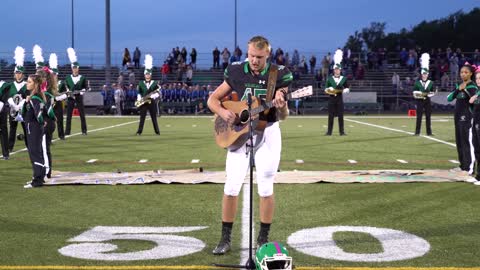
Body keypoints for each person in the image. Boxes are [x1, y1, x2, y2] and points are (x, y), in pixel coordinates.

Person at [207, 36, 293, 255]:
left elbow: (282, 116)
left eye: (260, 57)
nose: (254, 61)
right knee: (231, 186)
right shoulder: (236, 71)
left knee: (266, 186)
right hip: (239, 133)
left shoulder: (278, 74)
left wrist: (281, 101)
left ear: (268, 56)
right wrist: (224, 112)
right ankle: (225, 238)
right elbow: (212, 100)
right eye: (252, 56)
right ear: (247, 53)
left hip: (268, 130)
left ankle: (263, 239)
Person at [447, 63, 477, 175]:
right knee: (459, 142)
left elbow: (474, 101)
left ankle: (469, 167)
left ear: (470, 74)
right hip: (457, 117)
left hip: (467, 118)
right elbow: (449, 98)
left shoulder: (472, 87)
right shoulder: (459, 86)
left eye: (465, 72)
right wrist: (458, 89)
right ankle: (462, 165)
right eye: (461, 72)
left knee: (466, 142)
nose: (463, 74)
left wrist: (466, 90)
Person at [22, 74, 47, 188]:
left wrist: (42, 122)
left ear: (35, 84)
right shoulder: (34, 96)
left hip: (33, 128)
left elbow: (39, 113)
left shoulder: (35, 97)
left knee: (35, 153)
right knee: (38, 152)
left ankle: (37, 181)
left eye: (29, 82)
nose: (27, 83)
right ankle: (39, 177)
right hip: (34, 128)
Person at [37, 64, 57, 179]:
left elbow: (48, 109)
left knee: (44, 148)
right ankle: (46, 171)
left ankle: (46, 172)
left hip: (46, 123)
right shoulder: (46, 91)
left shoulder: (45, 93)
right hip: (48, 122)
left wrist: (53, 117)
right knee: (44, 148)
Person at [324, 49, 350, 136]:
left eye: (338, 69)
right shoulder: (329, 79)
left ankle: (341, 132)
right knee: (330, 116)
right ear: (333, 70)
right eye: (335, 69)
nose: (337, 71)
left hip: (339, 99)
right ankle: (329, 132)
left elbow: (347, 88)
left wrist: (345, 90)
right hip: (331, 99)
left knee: (341, 116)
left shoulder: (344, 79)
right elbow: (325, 89)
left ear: (340, 70)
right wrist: (330, 90)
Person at [8, 46, 29, 152]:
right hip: (13, 111)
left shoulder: (26, 85)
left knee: (26, 129)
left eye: (19, 73)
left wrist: (20, 106)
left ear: (23, 74)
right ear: (14, 74)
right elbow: (8, 97)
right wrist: (14, 106)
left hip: (23, 110)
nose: (18, 75)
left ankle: (29, 146)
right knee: (12, 129)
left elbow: (28, 97)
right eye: (16, 73)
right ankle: (10, 148)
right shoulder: (10, 85)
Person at [65, 47, 88, 136]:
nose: (75, 69)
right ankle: (67, 132)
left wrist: (81, 91)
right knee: (68, 115)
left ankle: (84, 131)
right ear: (72, 69)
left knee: (82, 114)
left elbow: (85, 87)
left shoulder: (82, 78)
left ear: (78, 69)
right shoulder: (68, 78)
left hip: (78, 97)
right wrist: (67, 91)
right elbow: (65, 86)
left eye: (76, 68)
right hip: (70, 97)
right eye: (73, 68)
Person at [136, 54, 160, 135]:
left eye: (149, 74)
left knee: (154, 118)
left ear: (150, 75)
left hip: (152, 102)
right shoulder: (141, 83)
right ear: (144, 75)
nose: (147, 75)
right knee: (142, 118)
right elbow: (139, 92)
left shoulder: (154, 83)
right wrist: (139, 98)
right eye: (146, 74)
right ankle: (139, 132)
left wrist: (153, 96)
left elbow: (158, 93)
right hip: (143, 102)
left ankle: (157, 132)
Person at [413, 53, 435, 136]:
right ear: (421, 74)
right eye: (423, 74)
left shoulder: (431, 83)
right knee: (419, 117)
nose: (425, 75)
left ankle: (429, 132)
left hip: (427, 101)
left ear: (427, 74)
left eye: (426, 74)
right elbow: (414, 93)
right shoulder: (417, 83)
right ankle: (417, 132)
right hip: (419, 101)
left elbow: (432, 92)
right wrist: (422, 95)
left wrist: (430, 94)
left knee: (428, 117)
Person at [467, 66, 480, 185]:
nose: (478, 80)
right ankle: (478, 175)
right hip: (476, 122)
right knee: (476, 148)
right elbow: (474, 109)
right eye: (476, 78)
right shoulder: (477, 92)